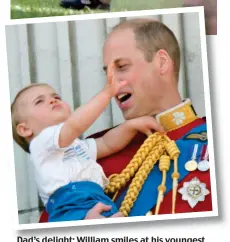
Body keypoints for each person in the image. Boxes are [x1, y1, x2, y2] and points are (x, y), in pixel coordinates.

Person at [39, 18, 212, 222]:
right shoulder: (90, 154)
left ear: (162, 62)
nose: (111, 84)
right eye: (108, 73)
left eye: (121, 67)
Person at [11, 63, 164, 222]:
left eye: (56, 97)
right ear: (25, 129)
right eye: (39, 101)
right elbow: (75, 125)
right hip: (71, 208)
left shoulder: (75, 145)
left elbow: (107, 143)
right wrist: (107, 93)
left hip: (96, 201)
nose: (52, 101)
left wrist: (131, 126)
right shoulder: (40, 143)